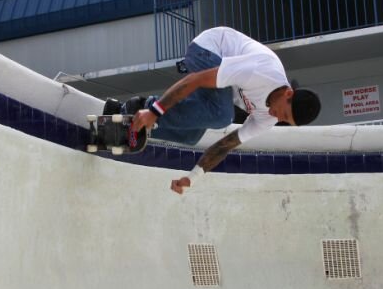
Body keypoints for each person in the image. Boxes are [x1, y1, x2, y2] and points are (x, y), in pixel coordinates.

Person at [130, 26, 321, 195]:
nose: (278, 118)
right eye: (284, 114)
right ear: (288, 93)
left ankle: (138, 127)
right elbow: (194, 80)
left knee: (191, 137)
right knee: (222, 115)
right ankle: (139, 108)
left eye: (286, 121)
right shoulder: (261, 72)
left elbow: (226, 145)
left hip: (222, 82)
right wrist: (154, 111)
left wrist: (192, 178)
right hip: (208, 49)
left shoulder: (267, 119)